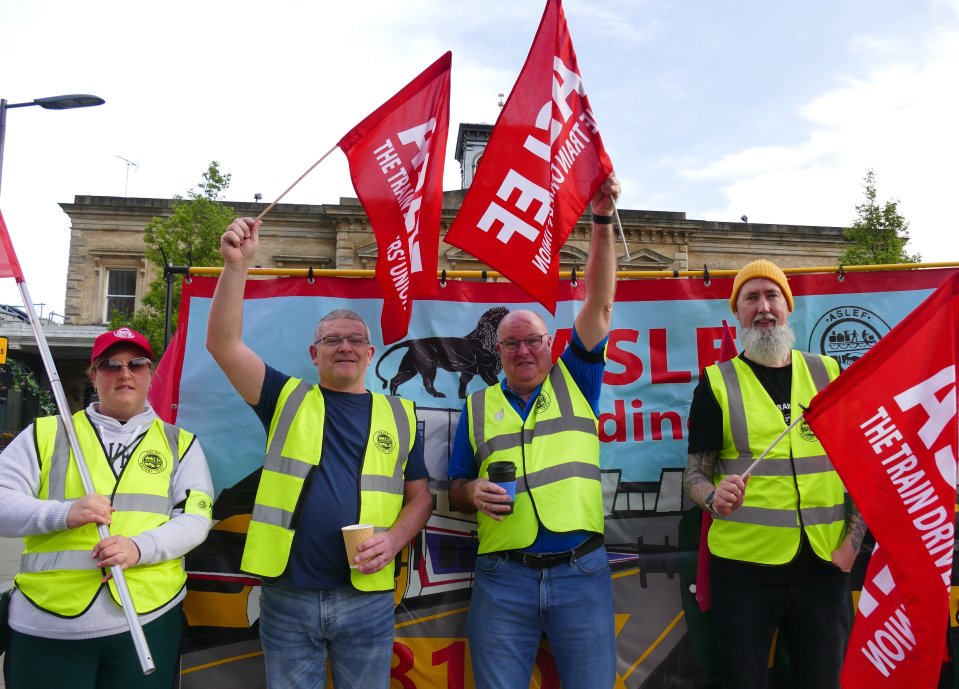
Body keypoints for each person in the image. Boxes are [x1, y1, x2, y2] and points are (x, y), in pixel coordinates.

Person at [206, 217, 432, 689]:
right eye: (333, 340)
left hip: (367, 597)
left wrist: (393, 541)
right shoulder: (283, 397)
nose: (344, 347)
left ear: (371, 354)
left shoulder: (402, 415)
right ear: (314, 354)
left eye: (354, 340)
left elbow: (421, 499)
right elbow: (223, 345)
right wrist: (235, 267)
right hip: (288, 596)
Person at [447, 173, 621, 689]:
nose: (524, 351)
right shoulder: (476, 406)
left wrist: (603, 221)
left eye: (533, 341)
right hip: (502, 579)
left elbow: (599, 303)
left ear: (551, 343)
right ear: (497, 351)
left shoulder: (578, 378)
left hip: (581, 573)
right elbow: (454, 486)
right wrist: (469, 490)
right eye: (511, 344)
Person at [683, 259, 865, 689]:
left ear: (788, 306)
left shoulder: (830, 375)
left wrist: (853, 544)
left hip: (824, 566)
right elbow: (694, 475)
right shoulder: (716, 383)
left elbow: (861, 470)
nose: (763, 306)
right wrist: (712, 496)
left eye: (772, 296)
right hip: (744, 572)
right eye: (751, 298)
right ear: (737, 312)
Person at [0, 326, 214, 689]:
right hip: (46, 621)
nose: (125, 373)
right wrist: (62, 514)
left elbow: (196, 519)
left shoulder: (182, 444)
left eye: (137, 364)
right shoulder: (46, 434)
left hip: (148, 620)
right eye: (110, 365)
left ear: (151, 374)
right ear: (93, 375)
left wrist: (138, 547)